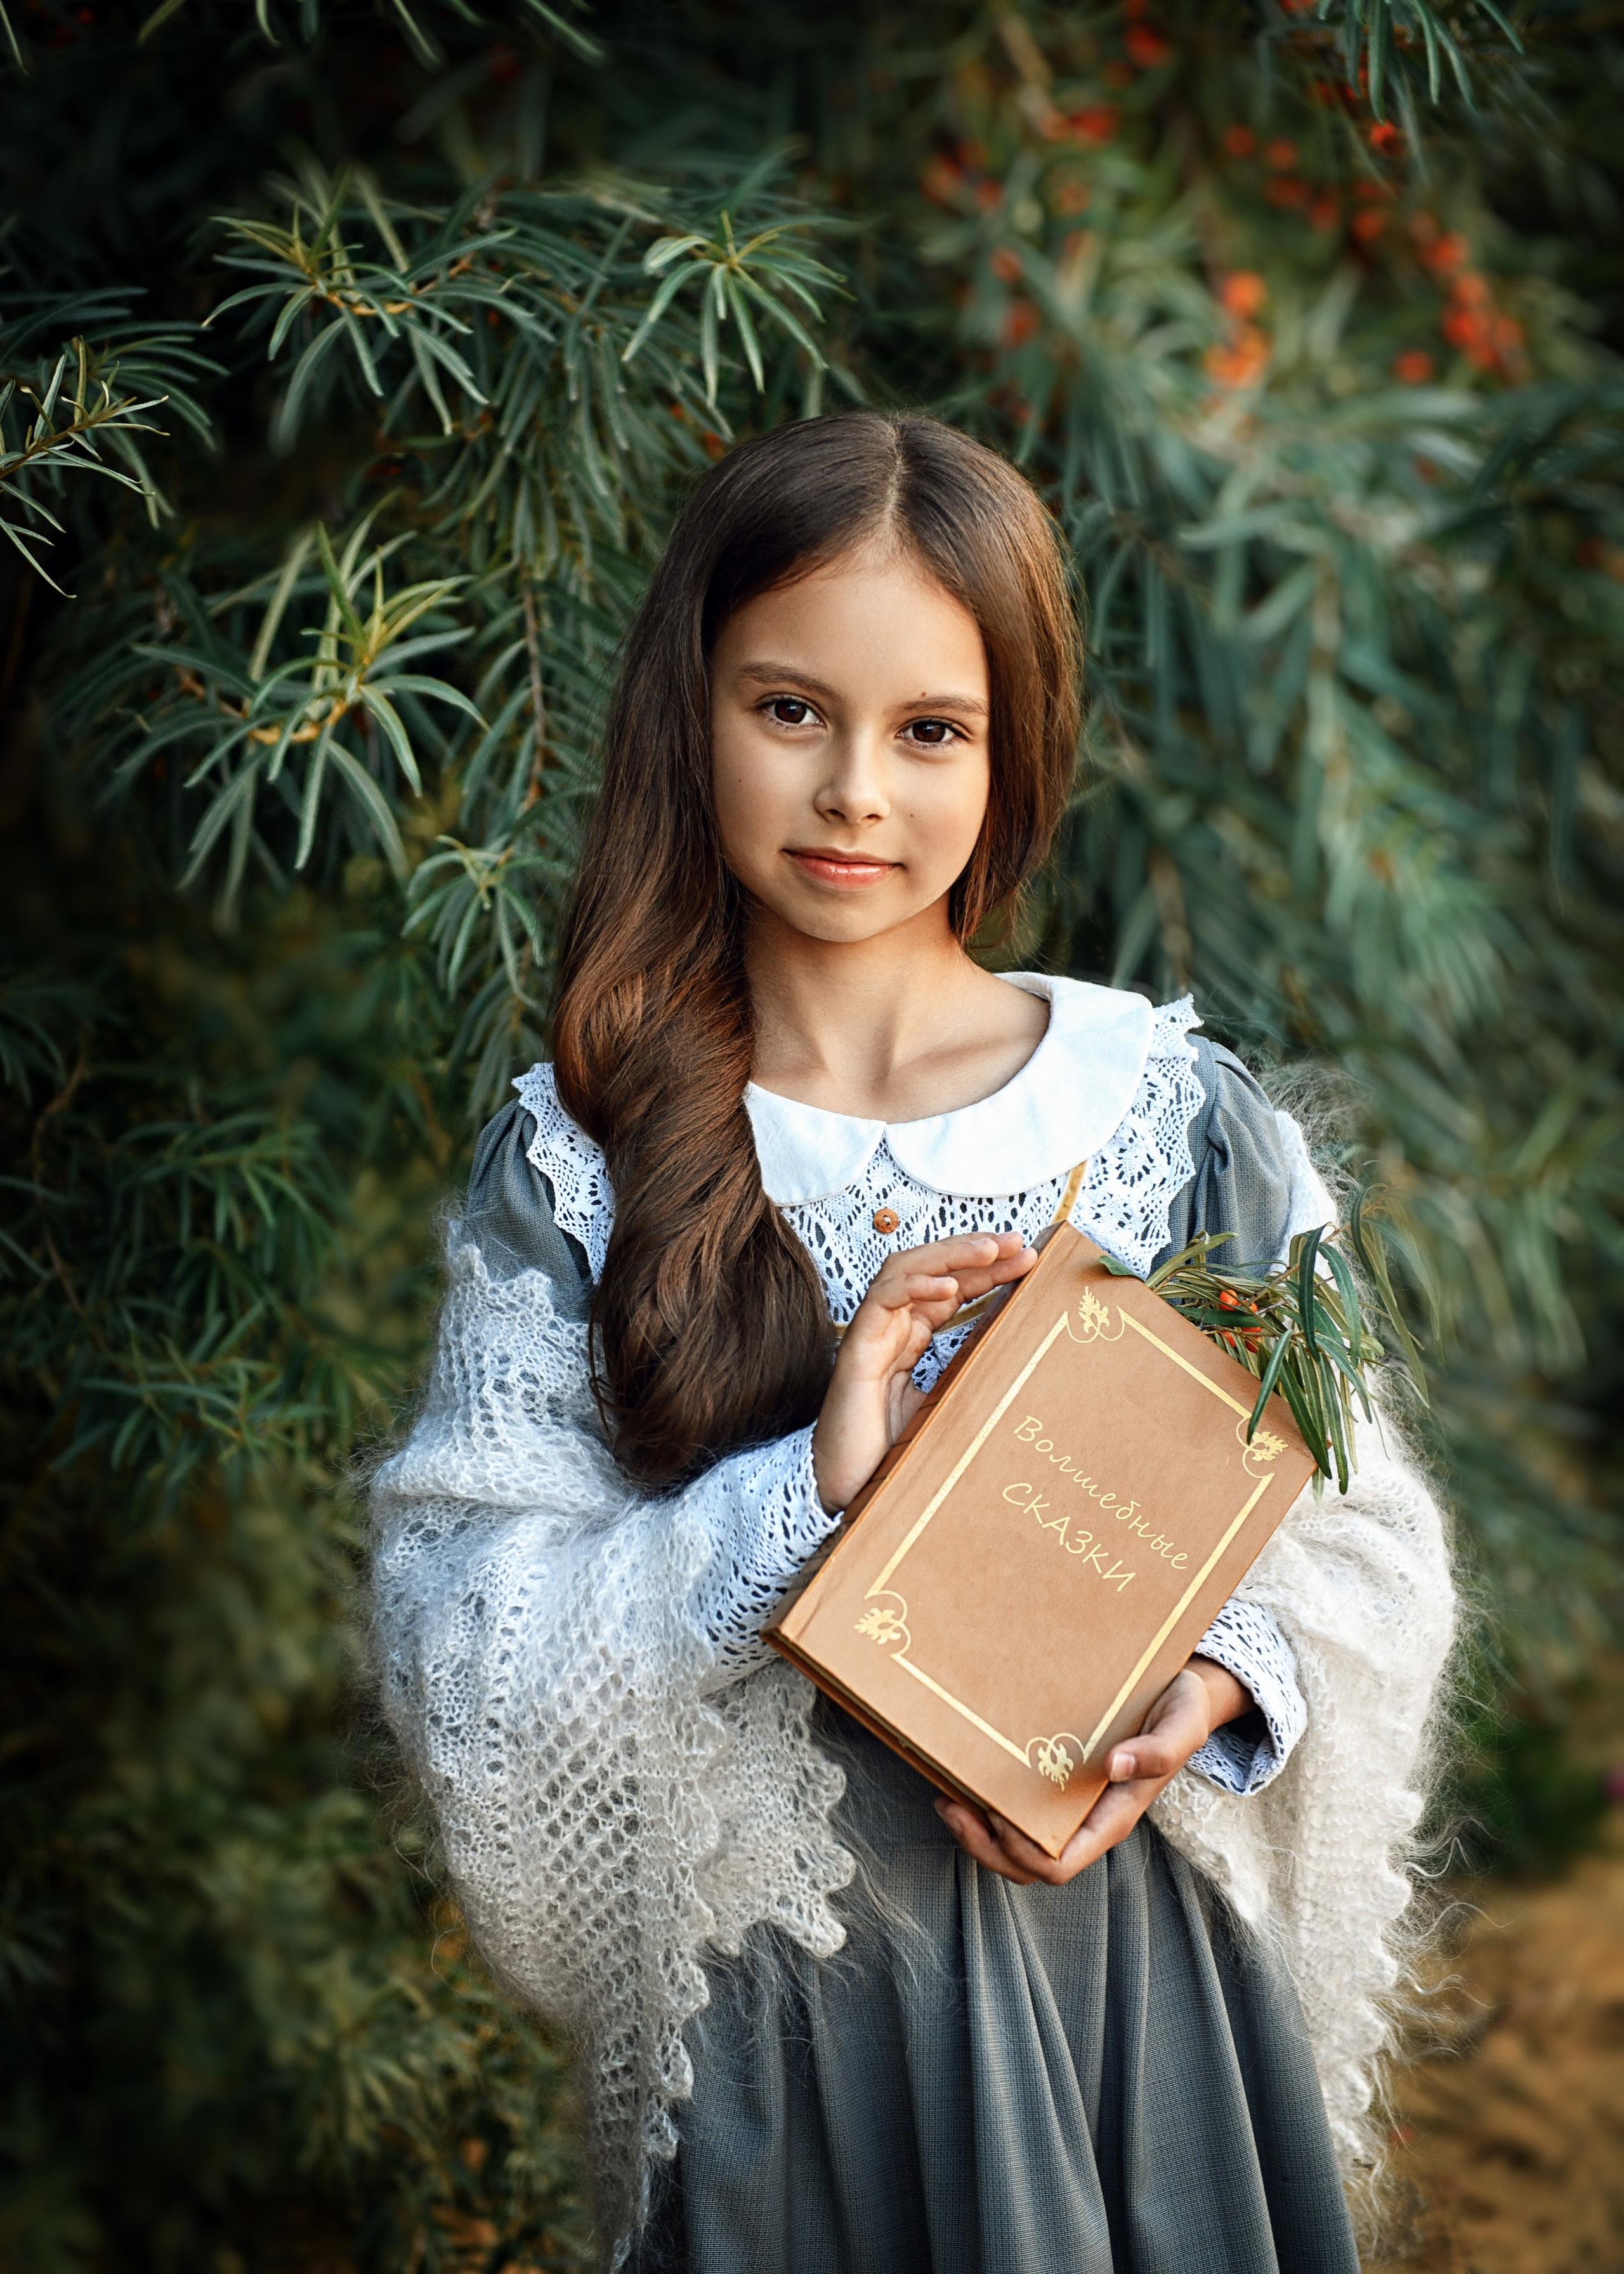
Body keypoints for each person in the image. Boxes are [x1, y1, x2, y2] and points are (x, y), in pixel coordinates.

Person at [373, 411, 1453, 2273]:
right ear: (687, 715)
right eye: (790, 710)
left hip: (1127, 2011)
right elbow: (471, 1643)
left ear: (1012, 747)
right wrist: (813, 1490)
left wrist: (1221, 1695)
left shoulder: (1172, 1122)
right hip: (780, 2044)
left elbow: (1366, 1551)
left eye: (929, 730)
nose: (855, 789)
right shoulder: (584, 1152)